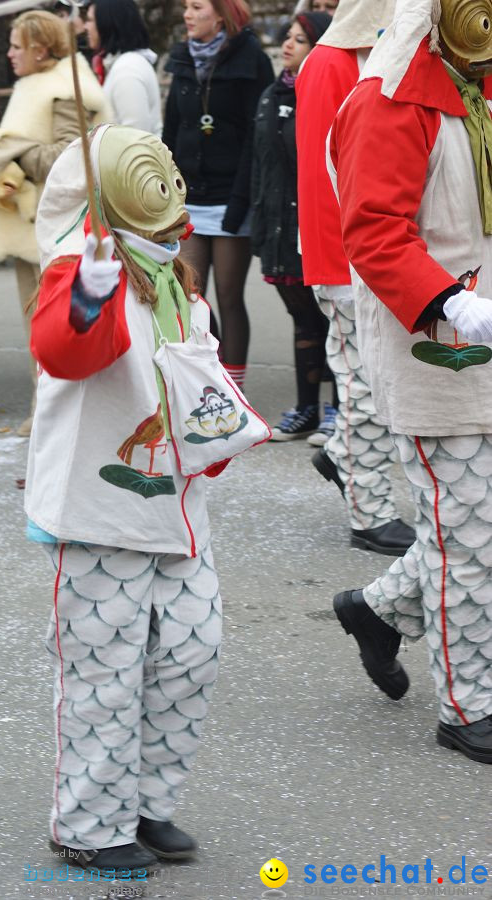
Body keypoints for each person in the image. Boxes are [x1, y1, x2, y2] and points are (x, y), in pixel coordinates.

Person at [24, 124, 233, 875]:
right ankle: (88, 821)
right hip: (99, 512)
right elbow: (67, 347)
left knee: (189, 653)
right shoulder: (82, 266)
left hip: (176, 513)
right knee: (104, 670)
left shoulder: (176, 277)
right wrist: (89, 290)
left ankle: (147, 801)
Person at [329, 0, 492, 763]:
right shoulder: (387, 100)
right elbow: (372, 230)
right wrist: (453, 305)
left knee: (473, 531)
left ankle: (375, 607)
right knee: (468, 540)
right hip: (435, 354)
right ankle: (468, 706)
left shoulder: (473, 88)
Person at [0, 10, 110, 436]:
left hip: (56, 232)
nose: (9, 53)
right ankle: (46, 410)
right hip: (30, 231)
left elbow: (68, 156)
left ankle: (61, 416)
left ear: (41, 49)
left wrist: (11, 151)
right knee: (38, 327)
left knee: (62, 329)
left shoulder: (64, 87)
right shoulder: (33, 84)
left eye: (16, 45)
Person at [295, 0, 416, 555]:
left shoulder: (361, 54)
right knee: (364, 391)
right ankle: (370, 512)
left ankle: (343, 457)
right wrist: (347, 260)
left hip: (361, 251)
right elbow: (328, 173)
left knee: (372, 386)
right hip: (345, 255)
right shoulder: (331, 63)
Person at [163, 0, 274, 391]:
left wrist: (241, 202)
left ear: (222, 16)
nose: (187, 14)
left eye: (196, 7)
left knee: (228, 295)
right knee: (190, 295)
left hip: (232, 197)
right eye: (186, 7)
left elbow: (254, 138)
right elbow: (171, 132)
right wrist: (167, 193)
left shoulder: (252, 61)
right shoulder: (182, 60)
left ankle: (233, 385)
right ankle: (204, 380)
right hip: (191, 196)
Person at [251, 10, 337, 442]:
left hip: (314, 223)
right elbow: (260, 165)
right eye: (288, 36)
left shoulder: (325, 92)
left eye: (299, 39)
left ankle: (338, 409)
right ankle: (307, 408)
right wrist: (255, 220)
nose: (287, 44)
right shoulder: (271, 94)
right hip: (279, 226)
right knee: (303, 320)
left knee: (333, 321)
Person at [83, 0, 162, 136]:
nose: (85, 27)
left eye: (90, 20)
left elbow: (136, 136)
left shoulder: (128, 69)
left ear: (107, 24)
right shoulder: (121, 65)